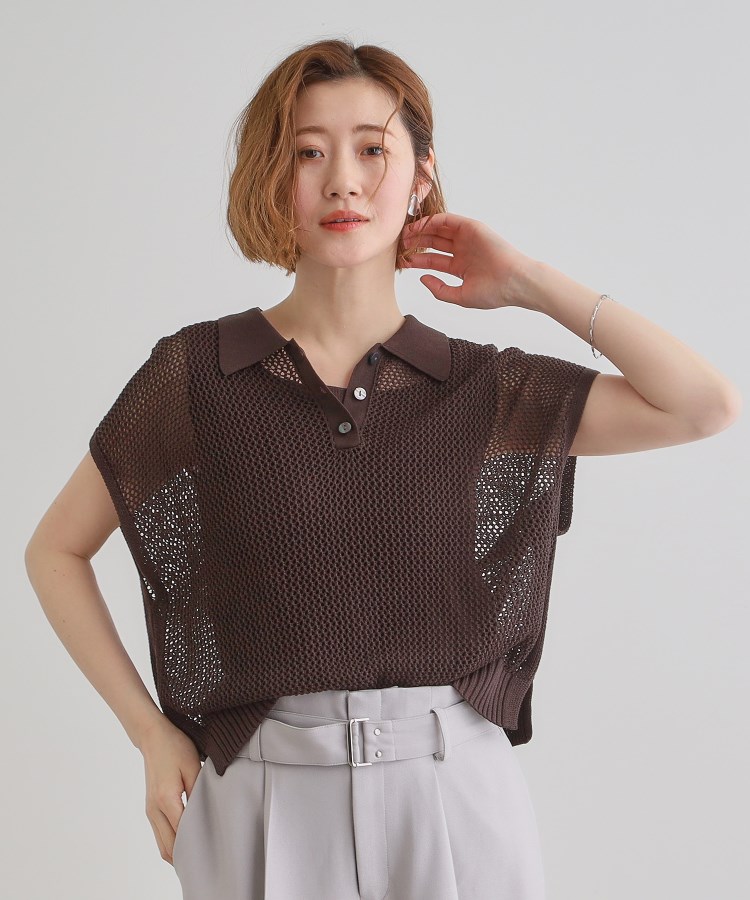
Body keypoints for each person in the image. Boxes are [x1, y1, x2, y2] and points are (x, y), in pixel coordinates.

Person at [24, 37, 741, 900]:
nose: (343, 182)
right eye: (308, 152)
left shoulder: (485, 390)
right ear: (271, 175)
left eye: (372, 149)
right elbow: (54, 551)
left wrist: (527, 280)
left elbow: (703, 406)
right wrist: (148, 733)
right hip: (262, 796)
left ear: (420, 176)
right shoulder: (199, 378)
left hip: (454, 792)